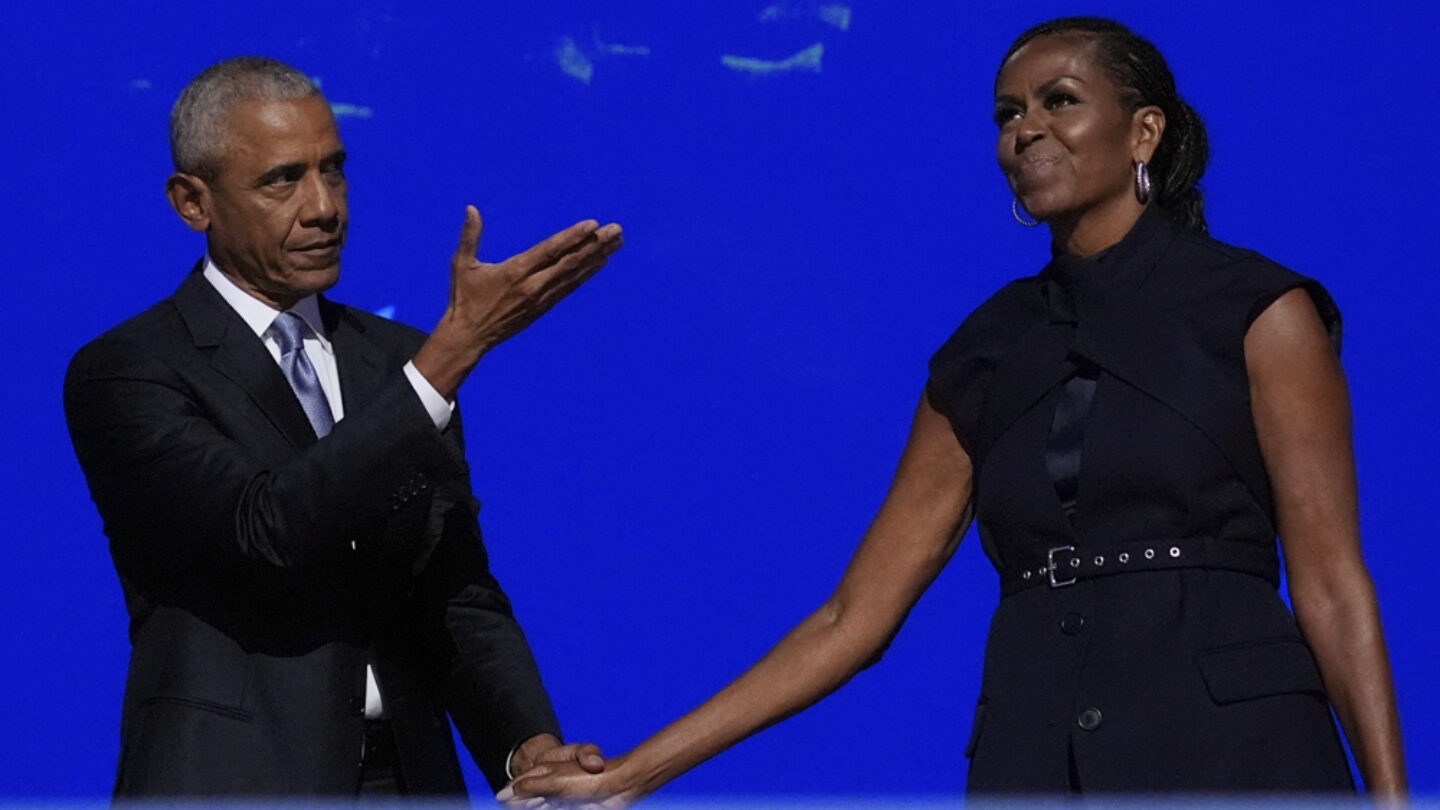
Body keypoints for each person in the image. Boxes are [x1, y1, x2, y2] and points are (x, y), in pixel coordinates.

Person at [503, 16, 1406, 801]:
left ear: (1145, 132)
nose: (1026, 131)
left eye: (1059, 101)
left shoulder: (1257, 310)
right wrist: (633, 774)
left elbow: (1330, 586)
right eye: (1008, 114)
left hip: (1235, 757)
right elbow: (851, 619)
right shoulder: (988, 347)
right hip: (1035, 760)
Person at [63, 57, 622, 798]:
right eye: (282, 180)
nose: (324, 208)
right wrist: (448, 360)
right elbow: (265, 529)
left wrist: (528, 746)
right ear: (192, 202)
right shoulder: (131, 369)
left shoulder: (393, 362)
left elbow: (454, 592)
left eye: (335, 171)